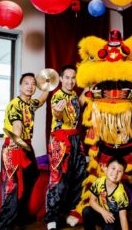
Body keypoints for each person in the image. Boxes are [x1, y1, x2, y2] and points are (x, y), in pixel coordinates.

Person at [0, 72, 49, 230]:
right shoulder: (15, 104)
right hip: (14, 145)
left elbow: (41, 100)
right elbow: (17, 125)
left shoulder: (30, 103)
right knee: (12, 186)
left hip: (26, 145)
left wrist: (48, 86)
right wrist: (16, 140)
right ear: (20, 86)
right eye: (26, 83)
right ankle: (5, 224)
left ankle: (21, 215)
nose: (30, 86)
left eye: (33, 83)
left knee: (32, 174)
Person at [45, 65, 87, 230]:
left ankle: (73, 212)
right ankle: (52, 219)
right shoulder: (57, 96)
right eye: (67, 77)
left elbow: (79, 103)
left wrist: (89, 88)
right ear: (61, 79)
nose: (70, 81)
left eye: (73, 78)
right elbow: (57, 114)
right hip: (61, 140)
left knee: (80, 175)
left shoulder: (74, 94)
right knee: (58, 179)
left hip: (76, 138)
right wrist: (57, 112)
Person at [82, 157, 129, 230]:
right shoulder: (99, 182)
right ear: (106, 169)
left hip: (114, 221)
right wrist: (103, 212)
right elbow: (91, 201)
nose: (115, 173)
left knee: (111, 223)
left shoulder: (121, 194)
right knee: (86, 211)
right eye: (113, 168)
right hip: (103, 214)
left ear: (123, 175)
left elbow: (123, 217)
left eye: (119, 171)